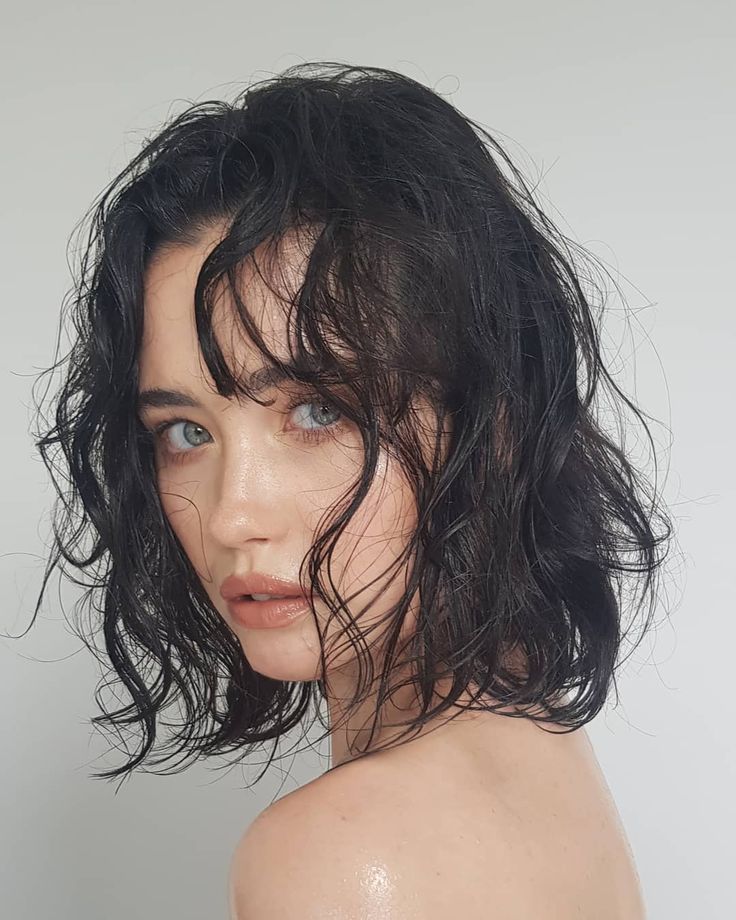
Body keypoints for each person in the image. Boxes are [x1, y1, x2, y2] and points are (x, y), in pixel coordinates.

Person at [29, 62, 673, 918]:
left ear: (492, 425)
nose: (231, 515)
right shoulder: (537, 748)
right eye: (186, 432)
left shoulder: (344, 853)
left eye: (317, 411)